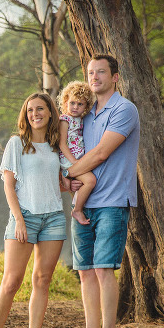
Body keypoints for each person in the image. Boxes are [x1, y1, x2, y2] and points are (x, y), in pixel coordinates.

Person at [57, 53, 140, 328]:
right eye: (91, 72)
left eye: (101, 72)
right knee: (85, 272)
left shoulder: (124, 109)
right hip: (85, 202)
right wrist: (65, 180)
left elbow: (103, 152)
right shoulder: (84, 113)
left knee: (104, 269)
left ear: (114, 76)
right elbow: (67, 147)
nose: (94, 77)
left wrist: (67, 174)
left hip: (112, 201)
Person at [0, 93, 68, 328]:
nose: (35, 114)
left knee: (42, 280)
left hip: (53, 217)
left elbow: (66, 179)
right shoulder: (17, 144)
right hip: (25, 217)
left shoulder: (56, 147)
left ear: (50, 113)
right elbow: (8, 185)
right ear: (25, 115)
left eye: (40, 109)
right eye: (30, 110)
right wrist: (18, 219)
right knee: (11, 281)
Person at [58, 81, 97, 226]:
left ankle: (79, 206)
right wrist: (74, 162)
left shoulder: (81, 120)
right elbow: (62, 144)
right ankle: (77, 210)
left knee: (81, 184)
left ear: (86, 107)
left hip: (78, 159)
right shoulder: (65, 120)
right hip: (70, 160)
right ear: (66, 102)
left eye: (80, 104)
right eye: (72, 103)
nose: (75, 107)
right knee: (90, 181)